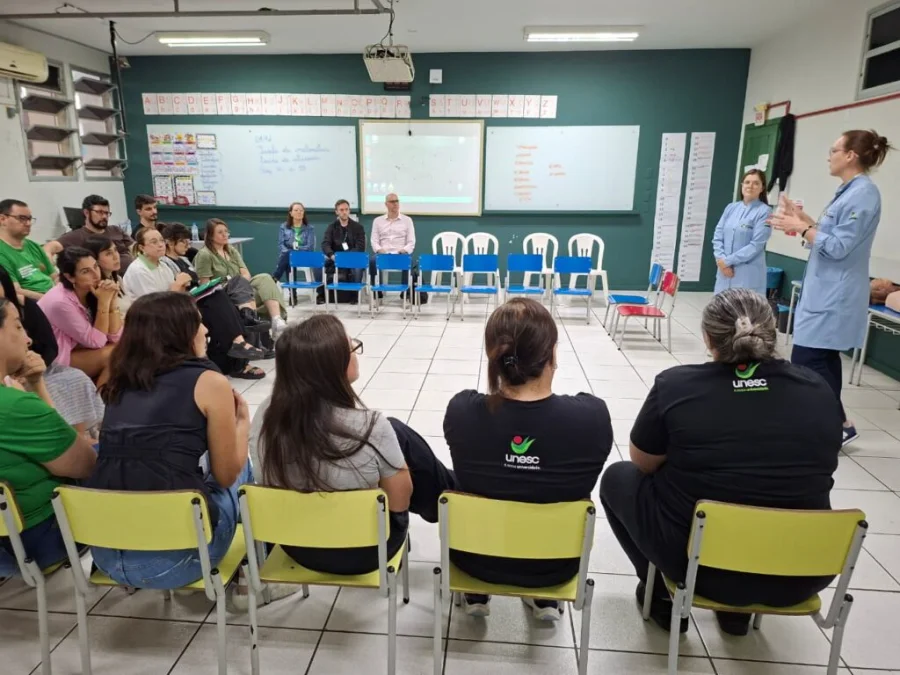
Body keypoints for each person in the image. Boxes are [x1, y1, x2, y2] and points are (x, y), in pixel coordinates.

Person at [600, 289, 842, 637]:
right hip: (802, 572)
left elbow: (643, 461)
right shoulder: (817, 387)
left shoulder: (676, 386)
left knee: (618, 477)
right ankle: (735, 615)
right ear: (771, 334)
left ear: (708, 338)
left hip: (701, 568)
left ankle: (661, 595)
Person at [444, 297, 613, 621]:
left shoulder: (462, 411)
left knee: (460, 481)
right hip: (555, 566)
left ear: (494, 356)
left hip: (475, 559)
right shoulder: (591, 418)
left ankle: (476, 589)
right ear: (552, 355)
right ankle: (542, 598)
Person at [249, 314, 456, 577]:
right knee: (398, 435)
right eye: (352, 348)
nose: (356, 353)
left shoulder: (265, 416)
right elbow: (400, 502)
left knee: (396, 437)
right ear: (332, 365)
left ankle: (450, 490)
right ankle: (453, 498)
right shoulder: (372, 426)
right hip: (368, 550)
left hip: (297, 545)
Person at [87, 292, 253, 588]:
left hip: (106, 556)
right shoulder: (208, 381)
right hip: (177, 562)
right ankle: (254, 574)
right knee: (242, 467)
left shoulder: (118, 379)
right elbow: (226, 474)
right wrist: (242, 424)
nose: (206, 330)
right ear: (180, 333)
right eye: (199, 323)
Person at [769, 129, 894, 447]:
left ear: (850, 155)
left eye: (834, 149)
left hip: (834, 296)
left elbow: (838, 247)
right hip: (825, 292)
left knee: (806, 363)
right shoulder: (849, 191)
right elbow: (829, 233)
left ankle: (825, 427)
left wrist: (803, 227)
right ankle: (838, 424)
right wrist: (802, 219)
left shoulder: (863, 194)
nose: (829, 155)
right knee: (822, 361)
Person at [0, 295, 97, 576]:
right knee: (109, 457)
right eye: (18, 327)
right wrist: (37, 390)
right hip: (32, 544)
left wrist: (35, 382)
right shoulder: (16, 407)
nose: (28, 339)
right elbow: (84, 463)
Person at [0, 267, 104, 437]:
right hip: (13, 372)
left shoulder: (23, 306)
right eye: (18, 327)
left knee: (76, 378)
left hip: (36, 365)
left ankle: (81, 434)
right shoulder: (61, 302)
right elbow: (95, 339)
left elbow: (49, 346)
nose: (27, 339)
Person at [159, 223, 269, 379]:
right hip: (184, 304)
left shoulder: (184, 259)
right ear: (170, 242)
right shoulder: (166, 264)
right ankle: (240, 350)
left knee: (224, 297)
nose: (188, 244)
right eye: (183, 241)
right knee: (219, 298)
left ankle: (240, 350)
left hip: (197, 299)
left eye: (188, 241)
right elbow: (175, 293)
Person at [38, 247, 121, 385]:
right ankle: (98, 403)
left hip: (79, 348)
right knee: (115, 355)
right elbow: (97, 342)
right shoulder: (59, 302)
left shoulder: (92, 290)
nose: (96, 275)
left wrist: (112, 301)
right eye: (86, 271)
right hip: (54, 360)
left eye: (95, 266)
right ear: (70, 277)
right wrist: (104, 303)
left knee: (128, 346)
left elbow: (115, 336)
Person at [194, 219, 287, 337]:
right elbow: (205, 285)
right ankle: (250, 320)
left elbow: (246, 273)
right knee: (237, 281)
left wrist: (240, 282)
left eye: (226, 231)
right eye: (220, 232)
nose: (225, 235)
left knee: (265, 277)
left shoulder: (231, 250)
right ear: (211, 235)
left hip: (242, 286)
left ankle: (276, 320)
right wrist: (231, 282)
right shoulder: (204, 255)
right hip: (222, 293)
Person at [712, 169, 773, 295]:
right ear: (742, 185)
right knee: (721, 311)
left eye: (756, 183)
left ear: (762, 188)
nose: (750, 186)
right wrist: (721, 260)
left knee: (744, 312)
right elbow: (717, 236)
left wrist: (728, 261)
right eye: (747, 182)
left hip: (746, 276)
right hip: (724, 273)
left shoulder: (765, 212)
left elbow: (756, 245)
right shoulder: (731, 208)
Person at [56, 195, 135, 272]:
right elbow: (48, 250)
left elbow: (135, 248)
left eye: (106, 213)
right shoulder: (75, 236)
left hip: (133, 273)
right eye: (99, 212)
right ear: (86, 213)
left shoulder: (116, 230)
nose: (104, 216)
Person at [0, 199, 58, 299]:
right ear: (2, 219)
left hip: (53, 296)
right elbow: (16, 291)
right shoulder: (2, 252)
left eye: (29, 219)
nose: (28, 223)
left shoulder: (34, 246)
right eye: (22, 218)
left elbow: (54, 276)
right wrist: (48, 300)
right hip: (33, 303)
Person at [370, 193, 414, 287]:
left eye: (397, 201)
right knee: (373, 261)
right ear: (386, 204)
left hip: (400, 254)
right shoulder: (377, 221)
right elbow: (374, 241)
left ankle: (405, 292)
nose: (395, 204)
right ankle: (378, 292)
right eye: (392, 201)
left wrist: (404, 250)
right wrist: (380, 250)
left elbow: (411, 242)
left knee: (409, 260)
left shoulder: (407, 220)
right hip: (383, 254)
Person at [322, 198, 366, 286]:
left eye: (346, 209)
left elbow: (360, 247)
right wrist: (332, 255)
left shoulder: (358, 227)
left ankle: (355, 295)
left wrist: (347, 257)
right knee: (319, 264)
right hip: (335, 258)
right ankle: (322, 293)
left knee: (357, 268)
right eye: (341, 210)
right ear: (336, 212)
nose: (344, 212)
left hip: (353, 258)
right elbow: (325, 244)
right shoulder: (331, 227)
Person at [273, 202, 319, 282]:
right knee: (289, 257)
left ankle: (276, 277)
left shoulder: (309, 228)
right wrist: (291, 252)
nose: (299, 212)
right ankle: (293, 293)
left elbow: (310, 247)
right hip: (288, 256)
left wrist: (294, 250)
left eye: (301, 210)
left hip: (304, 257)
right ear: (291, 213)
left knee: (289, 255)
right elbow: (281, 245)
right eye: (296, 210)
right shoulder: (284, 227)